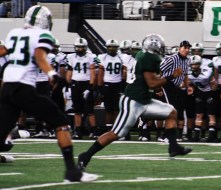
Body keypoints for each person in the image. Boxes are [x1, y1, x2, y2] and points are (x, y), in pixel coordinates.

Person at [0, 5, 97, 182]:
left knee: (1, 135)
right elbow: (39, 55)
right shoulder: (43, 35)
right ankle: (72, 172)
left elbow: (3, 51)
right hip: (24, 88)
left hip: (6, 88)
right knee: (61, 123)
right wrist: (51, 73)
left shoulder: (14, 32)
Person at [77, 34, 192, 171]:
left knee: (171, 112)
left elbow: (151, 81)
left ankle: (173, 147)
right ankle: (85, 156)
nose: (162, 49)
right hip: (133, 102)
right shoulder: (149, 58)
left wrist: (161, 83)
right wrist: (172, 76)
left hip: (145, 100)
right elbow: (151, 83)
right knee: (116, 134)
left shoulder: (144, 56)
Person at [65, 37, 99, 139]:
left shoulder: (91, 57)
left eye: (82, 47)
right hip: (75, 84)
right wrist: (69, 86)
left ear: (85, 48)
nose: (79, 49)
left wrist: (89, 87)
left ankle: (94, 131)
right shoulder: (71, 57)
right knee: (77, 110)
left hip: (86, 84)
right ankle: (78, 131)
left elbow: (93, 74)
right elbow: (69, 74)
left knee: (90, 111)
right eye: (78, 47)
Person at [160, 40, 191, 141]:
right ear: (179, 49)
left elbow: (185, 75)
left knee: (175, 110)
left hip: (176, 87)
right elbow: (160, 70)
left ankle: (166, 134)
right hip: (167, 84)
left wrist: (187, 87)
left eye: (188, 48)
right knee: (171, 110)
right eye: (184, 48)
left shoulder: (187, 60)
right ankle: (166, 135)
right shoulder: (173, 58)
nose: (186, 50)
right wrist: (158, 86)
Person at [97, 39, 127, 138]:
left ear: (117, 48)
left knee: (117, 109)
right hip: (107, 85)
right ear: (107, 47)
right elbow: (100, 74)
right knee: (109, 109)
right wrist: (100, 88)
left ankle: (117, 129)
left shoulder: (121, 58)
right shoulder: (103, 58)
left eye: (113, 47)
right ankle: (109, 130)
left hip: (117, 85)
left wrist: (123, 86)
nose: (111, 48)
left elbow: (124, 73)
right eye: (110, 46)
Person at [187, 55, 217, 142]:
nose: (193, 66)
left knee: (211, 114)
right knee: (199, 114)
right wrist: (190, 87)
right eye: (192, 64)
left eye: (195, 64)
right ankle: (196, 135)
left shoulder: (206, 72)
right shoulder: (189, 73)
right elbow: (188, 83)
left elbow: (214, 85)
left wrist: (212, 94)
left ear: (199, 64)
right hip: (200, 92)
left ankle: (211, 135)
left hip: (209, 92)